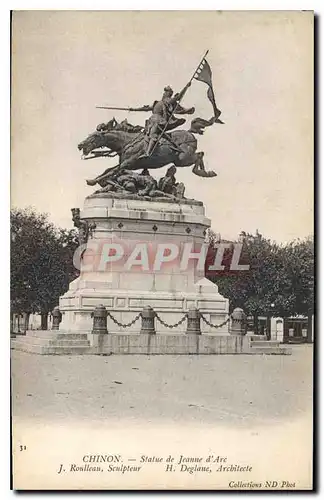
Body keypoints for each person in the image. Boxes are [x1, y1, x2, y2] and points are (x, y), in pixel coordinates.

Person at [130, 83, 195, 156]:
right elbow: (146, 108)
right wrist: (133, 109)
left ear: (169, 94)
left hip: (159, 121)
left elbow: (179, 96)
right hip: (151, 121)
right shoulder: (157, 103)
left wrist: (186, 87)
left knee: (153, 135)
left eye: (166, 92)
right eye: (164, 91)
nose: (164, 93)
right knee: (144, 135)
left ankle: (148, 153)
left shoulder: (168, 101)